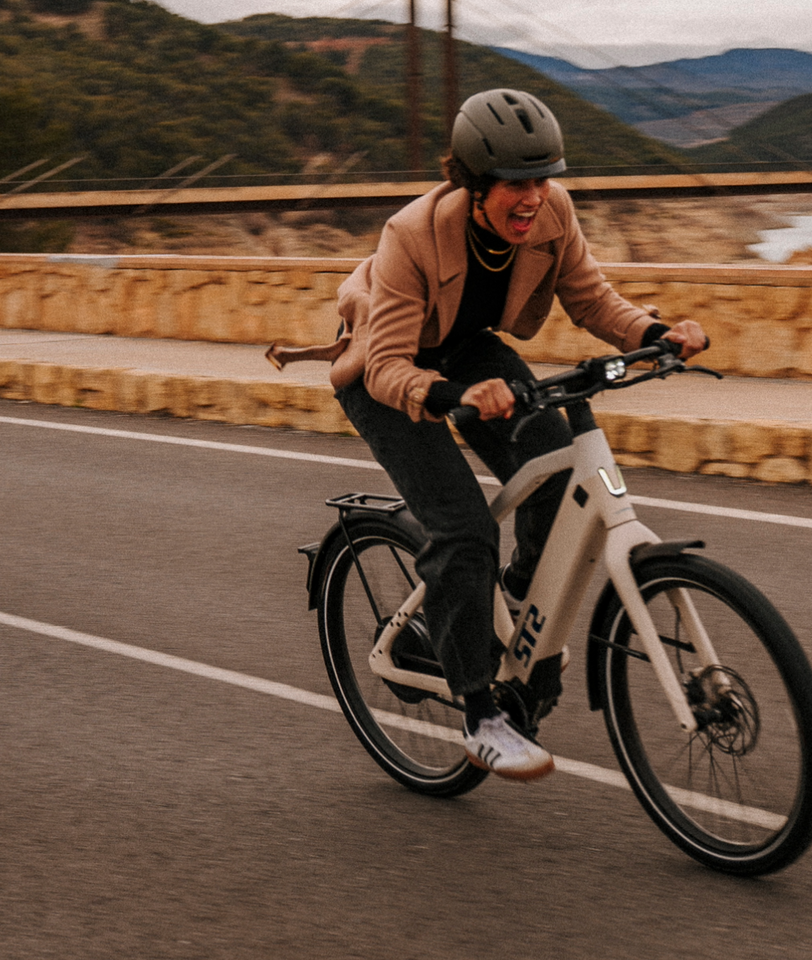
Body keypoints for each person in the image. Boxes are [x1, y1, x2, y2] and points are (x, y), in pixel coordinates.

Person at [270, 89, 708, 780]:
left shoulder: (553, 213)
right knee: (465, 528)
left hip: (467, 347)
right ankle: (481, 715)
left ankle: (517, 605)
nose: (532, 198)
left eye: (543, 179)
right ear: (474, 186)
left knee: (559, 479)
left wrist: (657, 334)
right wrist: (454, 396)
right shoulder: (411, 235)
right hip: (387, 371)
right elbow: (386, 367)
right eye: (514, 184)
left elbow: (591, 298)